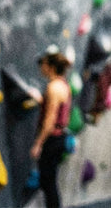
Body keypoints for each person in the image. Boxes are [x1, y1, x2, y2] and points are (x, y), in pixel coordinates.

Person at [29, 45, 72, 208]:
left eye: (44, 64)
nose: (42, 67)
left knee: (48, 183)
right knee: (49, 181)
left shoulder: (53, 88)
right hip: (59, 138)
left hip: (52, 140)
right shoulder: (62, 85)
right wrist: (41, 100)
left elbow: (49, 121)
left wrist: (38, 144)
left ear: (51, 67)